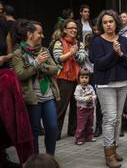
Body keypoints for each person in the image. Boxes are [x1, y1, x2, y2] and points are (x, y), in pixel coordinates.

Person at [89, 9, 127, 168]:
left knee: (117, 120)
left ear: (116, 22)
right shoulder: (97, 42)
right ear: (101, 25)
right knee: (109, 118)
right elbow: (100, 64)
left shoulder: (124, 40)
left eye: (111, 21)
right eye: (105, 22)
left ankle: (114, 149)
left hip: (123, 84)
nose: (108, 24)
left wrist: (121, 53)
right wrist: (114, 54)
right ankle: (108, 155)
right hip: (105, 85)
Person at [11, 19, 60, 155]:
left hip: (48, 94)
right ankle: (36, 160)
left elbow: (55, 69)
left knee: (52, 127)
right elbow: (20, 74)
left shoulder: (44, 50)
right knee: (34, 131)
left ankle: (50, 157)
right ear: (30, 34)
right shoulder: (18, 54)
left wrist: (41, 65)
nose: (43, 36)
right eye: (40, 33)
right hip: (33, 98)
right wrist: (36, 64)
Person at [53, 19, 86, 140]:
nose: (74, 30)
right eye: (71, 28)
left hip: (77, 79)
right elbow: (57, 58)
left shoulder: (79, 43)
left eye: (75, 28)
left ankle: (72, 130)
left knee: (75, 107)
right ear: (65, 30)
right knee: (61, 108)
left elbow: (82, 58)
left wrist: (75, 53)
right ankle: (55, 133)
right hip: (63, 79)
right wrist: (71, 53)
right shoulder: (59, 43)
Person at [74, 68, 97, 145]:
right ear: (79, 78)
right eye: (82, 77)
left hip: (90, 108)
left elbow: (94, 95)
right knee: (81, 124)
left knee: (89, 123)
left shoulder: (90, 87)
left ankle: (89, 136)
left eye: (86, 78)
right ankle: (79, 138)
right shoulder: (78, 87)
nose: (84, 79)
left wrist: (92, 97)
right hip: (82, 109)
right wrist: (86, 98)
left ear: (89, 78)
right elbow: (77, 97)